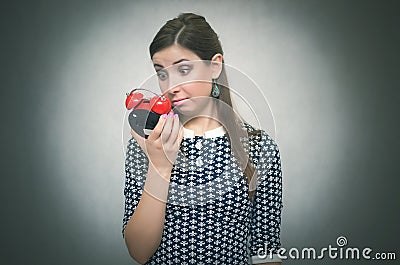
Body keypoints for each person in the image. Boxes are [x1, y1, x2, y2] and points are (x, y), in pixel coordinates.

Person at [122, 13, 283, 265]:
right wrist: (160, 166)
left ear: (215, 66)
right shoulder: (148, 143)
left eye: (183, 69)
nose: (170, 86)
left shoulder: (259, 149)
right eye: (161, 73)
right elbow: (139, 252)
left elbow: (266, 251)